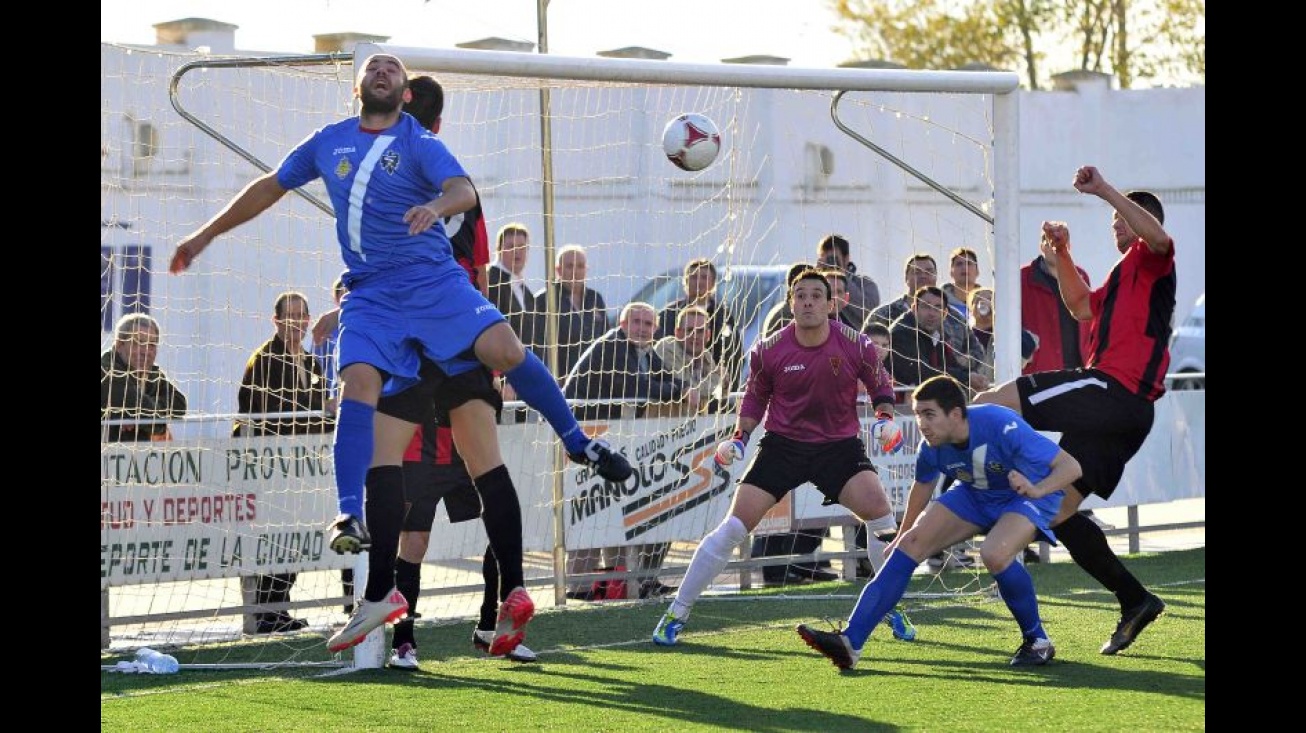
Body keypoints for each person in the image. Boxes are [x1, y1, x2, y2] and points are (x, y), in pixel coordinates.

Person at [170, 53, 632, 653]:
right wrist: (205, 235)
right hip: (374, 295)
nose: (384, 72)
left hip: (432, 281)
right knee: (356, 385)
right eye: (374, 66)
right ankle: (353, 528)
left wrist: (436, 208)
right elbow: (270, 186)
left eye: (394, 69)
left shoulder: (416, 141)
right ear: (356, 85)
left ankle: (578, 445)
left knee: (504, 348)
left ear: (407, 94)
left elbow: (463, 190)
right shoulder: (327, 142)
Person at [652, 269, 911, 647]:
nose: (808, 302)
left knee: (882, 518)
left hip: (838, 447)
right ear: (790, 303)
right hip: (783, 446)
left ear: (830, 303)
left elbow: (880, 384)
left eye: (816, 296)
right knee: (733, 528)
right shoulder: (768, 348)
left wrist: (886, 418)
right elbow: (755, 397)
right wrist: (739, 438)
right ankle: (677, 611)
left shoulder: (857, 344)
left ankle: (886, 604)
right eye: (800, 295)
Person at [975, 165, 1173, 655]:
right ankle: (1135, 599)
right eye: (1113, 222)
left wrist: (1107, 189)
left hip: (1112, 389)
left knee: (989, 403)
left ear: (1145, 220)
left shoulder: (1154, 258)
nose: (1116, 226)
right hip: (1126, 413)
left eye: (1124, 220)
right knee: (1060, 511)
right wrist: (1061, 254)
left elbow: (1160, 239)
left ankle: (967, 484)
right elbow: (1082, 305)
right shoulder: (1123, 272)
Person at [380, 73, 538, 668]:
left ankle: (476, 627)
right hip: (460, 357)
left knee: (415, 513)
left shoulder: (390, 188)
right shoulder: (463, 191)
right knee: (465, 497)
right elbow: (477, 276)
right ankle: (408, 635)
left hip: (423, 364)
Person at [796, 374, 1082, 669]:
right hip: (975, 494)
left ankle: (1038, 641)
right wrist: (902, 534)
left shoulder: (1000, 425)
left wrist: (1037, 489)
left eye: (929, 414)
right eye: (919, 414)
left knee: (994, 553)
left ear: (956, 414)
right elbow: (923, 488)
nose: (921, 423)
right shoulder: (930, 447)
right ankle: (850, 642)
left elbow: (1071, 466)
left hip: (1027, 495)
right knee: (908, 547)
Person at [234, 291, 333, 634]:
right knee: (274, 541)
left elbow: (317, 415)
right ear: (275, 320)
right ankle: (264, 614)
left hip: (304, 470)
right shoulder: (262, 360)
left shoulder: (312, 361)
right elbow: (255, 418)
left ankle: (279, 609)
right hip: (271, 468)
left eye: (301, 316)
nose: (296, 323)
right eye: (288, 316)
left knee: (297, 541)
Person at [656, 258, 744, 396]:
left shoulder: (724, 316)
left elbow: (735, 354)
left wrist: (727, 385)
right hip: (680, 394)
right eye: (693, 277)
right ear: (685, 282)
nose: (699, 282)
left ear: (713, 283)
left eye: (704, 277)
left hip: (715, 397)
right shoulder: (668, 314)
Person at [101, 313, 188, 442]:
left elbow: (179, 405)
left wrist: (140, 418)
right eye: (138, 343)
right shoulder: (106, 371)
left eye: (152, 345)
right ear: (119, 345)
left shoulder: (150, 371)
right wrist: (160, 426)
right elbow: (141, 411)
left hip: (132, 457)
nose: (146, 351)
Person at [533, 244, 610, 378]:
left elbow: (606, 339)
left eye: (580, 266)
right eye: (569, 266)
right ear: (558, 270)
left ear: (586, 269)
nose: (575, 271)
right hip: (561, 378)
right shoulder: (545, 299)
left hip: (595, 379)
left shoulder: (595, 298)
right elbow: (538, 344)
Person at [1020, 232, 1091, 376]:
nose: (1054, 247)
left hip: (1078, 373)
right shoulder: (1022, 278)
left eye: (1059, 242)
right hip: (1039, 374)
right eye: (1049, 242)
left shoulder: (1081, 276)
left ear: (1068, 246)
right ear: (1042, 247)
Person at [815, 234, 880, 330]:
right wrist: (816, 275)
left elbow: (869, 312)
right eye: (826, 259)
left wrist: (842, 276)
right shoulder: (815, 284)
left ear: (846, 258)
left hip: (855, 339)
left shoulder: (864, 284)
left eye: (833, 259)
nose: (830, 263)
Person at [940, 247, 982, 323]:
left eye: (969, 263)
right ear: (951, 272)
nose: (964, 267)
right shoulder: (939, 304)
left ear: (977, 271)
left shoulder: (989, 303)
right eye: (959, 264)